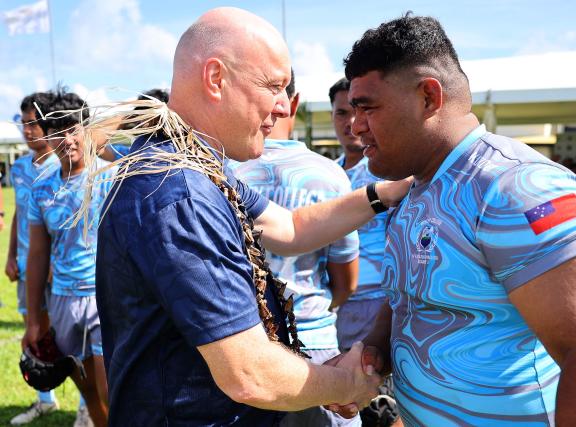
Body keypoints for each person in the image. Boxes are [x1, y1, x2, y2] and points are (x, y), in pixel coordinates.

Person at [93, 8, 410, 426]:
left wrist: (385, 193)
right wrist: (346, 384)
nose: (283, 107)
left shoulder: (202, 167)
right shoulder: (178, 193)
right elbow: (249, 373)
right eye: (273, 86)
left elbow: (291, 228)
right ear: (215, 78)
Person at [342, 14, 576, 425]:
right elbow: (410, 302)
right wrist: (373, 351)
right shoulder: (418, 188)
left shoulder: (517, 186)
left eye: (367, 108)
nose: (356, 128)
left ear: (428, 96)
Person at [230, 70, 362, 427]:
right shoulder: (330, 175)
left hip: (246, 347)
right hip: (315, 345)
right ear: (294, 103)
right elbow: (346, 280)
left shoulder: (222, 172)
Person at [24, 89, 114, 427]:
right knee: (87, 388)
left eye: (73, 129)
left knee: (109, 388)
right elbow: (36, 255)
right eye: (57, 132)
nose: (67, 140)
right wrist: (35, 319)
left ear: (86, 129)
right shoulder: (42, 189)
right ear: (47, 136)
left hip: (107, 297)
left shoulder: (111, 177)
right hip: (63, 300)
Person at [329, 78, 402, 427]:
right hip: (340, 310)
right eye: (341, 112)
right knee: (345, 406)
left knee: (388, 407)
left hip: (384, 306)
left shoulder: (394, 174)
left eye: (359, 111)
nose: (350, 122)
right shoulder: (326, 175)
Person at [6, 92, 60, 425]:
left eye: (33, 124)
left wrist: (55, 262)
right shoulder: (20, 167)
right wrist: (11, 255)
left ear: (48, 126)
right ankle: (45, 399)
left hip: (58, 272)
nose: (27, 131)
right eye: (23, 124)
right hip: (27, 268)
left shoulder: (64, 165)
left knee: (65, 338)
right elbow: (19, 214)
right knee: (33, 333)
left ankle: (86, 405)